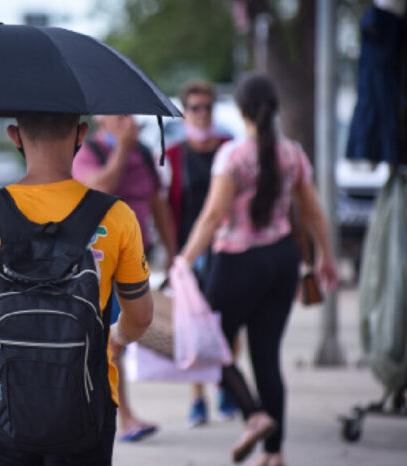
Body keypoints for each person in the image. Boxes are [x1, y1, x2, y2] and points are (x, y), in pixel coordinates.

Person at [0, 111, 154, 465]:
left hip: (8, 403)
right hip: (89, 402)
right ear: (81, 133)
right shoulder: (116, 215)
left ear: (14, 135)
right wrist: (114, 340)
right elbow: (142, 316)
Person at [178, 74, 338, 466]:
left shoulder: (232, 156)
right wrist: (326, 257)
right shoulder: (292, 154)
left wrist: (184, 259)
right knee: (266, 356)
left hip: (237, 261)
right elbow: (313, 210)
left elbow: (214, 215)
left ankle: (253, 415)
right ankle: (275, 452)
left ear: (241, 110)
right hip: (282, 261)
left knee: (209, 347)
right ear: (275, 109)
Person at [73, 114, 176, 442]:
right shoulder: (91, 152)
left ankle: (115, 414)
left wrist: (174, 254)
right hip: (100, 263)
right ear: (102, 122)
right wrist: (122, 150)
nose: (127, 121)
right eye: (119, 116)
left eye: (129, 115)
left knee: (118, 341)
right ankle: (121, 417)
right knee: (109, 342)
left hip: (137, 259)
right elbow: (100, 187)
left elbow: (158, 205)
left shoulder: (144, 154)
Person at [164, 80, 237, 427]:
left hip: (229, 245)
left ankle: (227, 387)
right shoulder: (174, 156)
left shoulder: (230, 148)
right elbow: (165, 207)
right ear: (184, 112)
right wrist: (171, 253)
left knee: (229, 322)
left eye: (208, 106)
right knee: (193, 322)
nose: (203, 113)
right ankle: (197, 398)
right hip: (190, 248)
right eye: (195, 107)